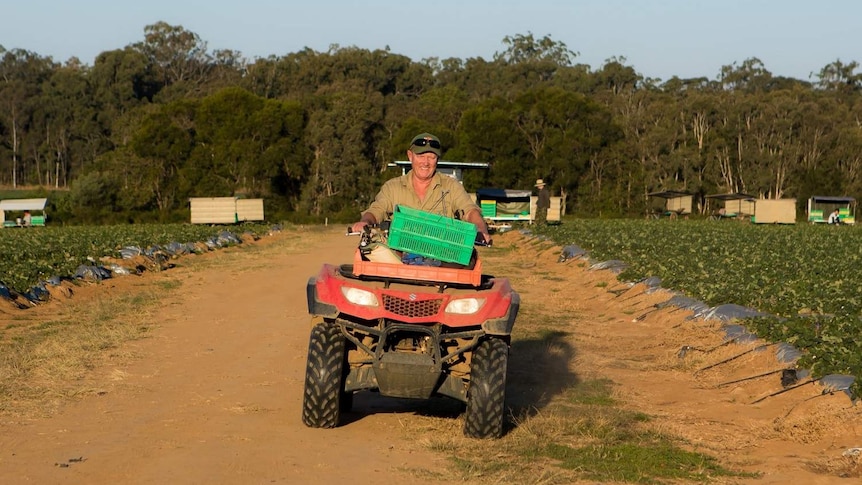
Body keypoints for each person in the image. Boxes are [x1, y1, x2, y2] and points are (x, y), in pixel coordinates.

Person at [351, 132, 492, 244]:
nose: (425, 162)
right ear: (410, 156)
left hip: (443, 255)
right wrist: (365, 222)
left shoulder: (451, 186)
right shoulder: (392, 187)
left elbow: (469, 211)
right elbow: (376, 211)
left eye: (431, 157)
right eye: (421, 156)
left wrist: (480, 229)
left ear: (437, 159)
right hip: (399, 255)